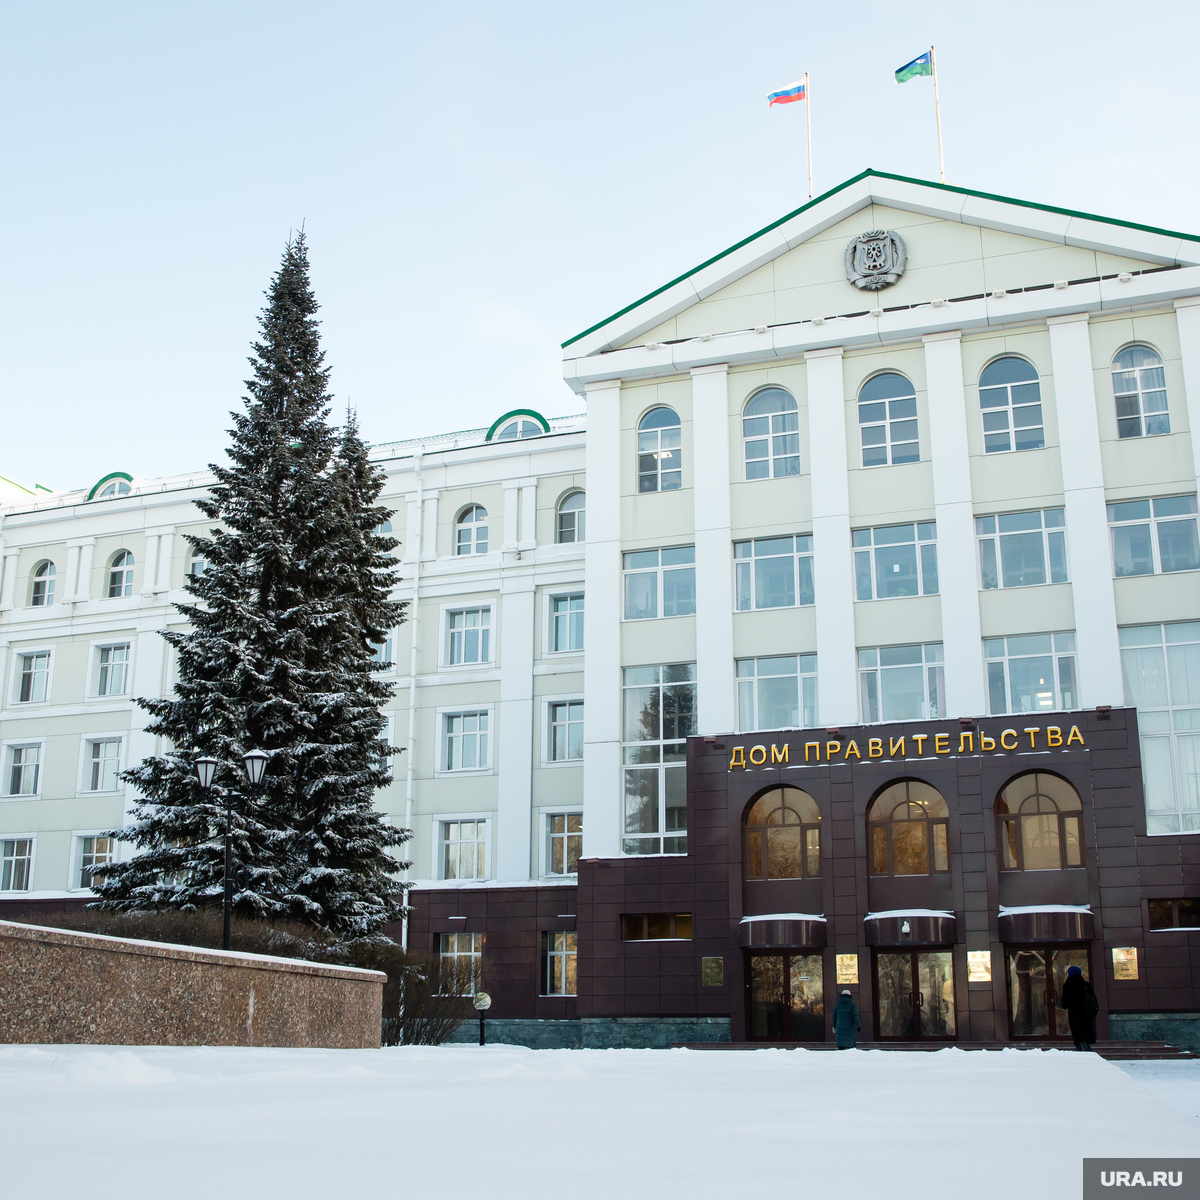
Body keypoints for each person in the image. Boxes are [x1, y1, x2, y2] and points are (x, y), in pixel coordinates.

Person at [1059, 965, 1099, 1051]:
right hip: (1086, 1012)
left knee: (1077, 1032)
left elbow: (1064, 1004)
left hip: (1074, 1013)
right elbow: (1093, 998)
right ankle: (1086, 1047)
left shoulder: (1067, 985)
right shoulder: (1085, 984)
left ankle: (1079, 1048)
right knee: (1086, 1030)